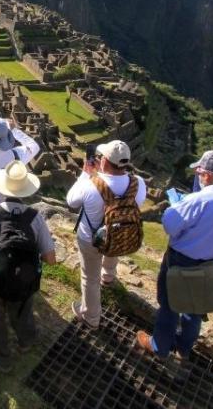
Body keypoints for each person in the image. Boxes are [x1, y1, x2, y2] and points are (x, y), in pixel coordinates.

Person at [136, 150, 213, 359]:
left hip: (181, 260)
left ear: (206, 174)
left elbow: (170, 226)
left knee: (170, 304)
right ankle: (183, 348)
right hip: (212, 264)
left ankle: (159, 347)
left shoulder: (198, 200)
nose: (197, 175)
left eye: (199, 171)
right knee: (195, 308)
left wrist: (178, 206)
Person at [0, 160, 56, 371]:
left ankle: (3, 359)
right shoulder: (35, 218)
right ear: (25, 190)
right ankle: (26, 341)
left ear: (2, 188)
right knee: (23, 310)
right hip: (24, 279)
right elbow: (50, 258)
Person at [66, 140, 147, 329]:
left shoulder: (90, 184)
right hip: (120, 233)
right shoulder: (138, 183)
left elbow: (71, 201)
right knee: (115, 238)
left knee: (89, 278)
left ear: (104, 162)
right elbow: (138, 203)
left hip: (90, 239)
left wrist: (85, 174)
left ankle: (91, 316)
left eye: (101, 157)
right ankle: (109, 276)